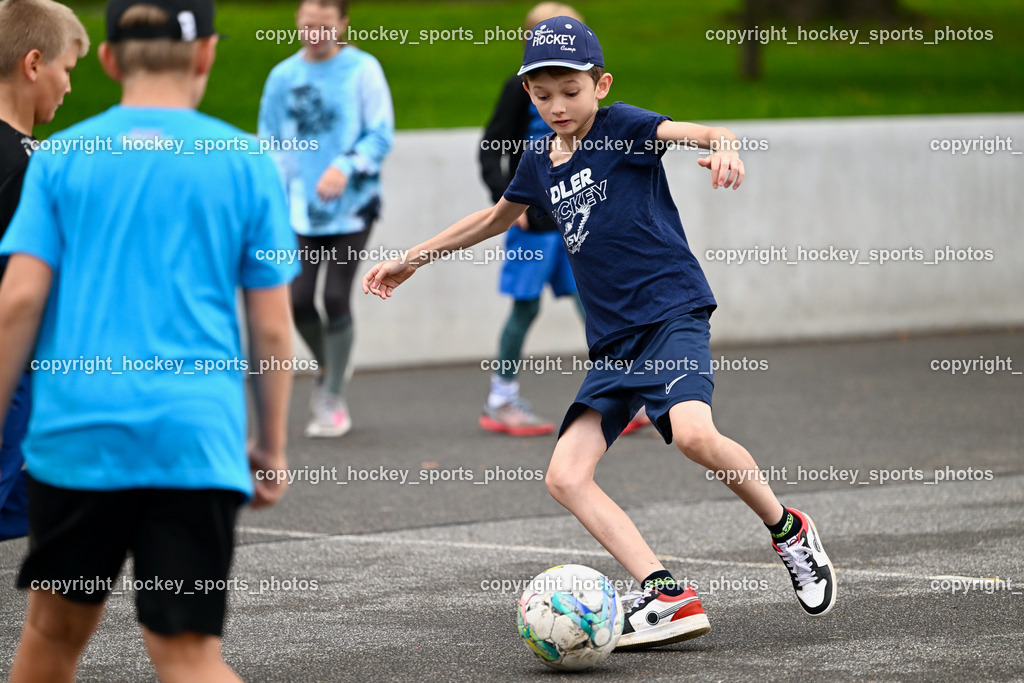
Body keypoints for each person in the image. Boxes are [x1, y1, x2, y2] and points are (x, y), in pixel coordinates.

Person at [364, 17, 835, 650]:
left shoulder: (624, 129)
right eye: (543, 94)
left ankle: (788, 529)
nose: (557, 106)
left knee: (694, 434)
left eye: (571, 91)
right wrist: (412, 257)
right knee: (564, 475)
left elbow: (696, 129)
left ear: (600, 84)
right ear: (528, 94)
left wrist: (723, 143)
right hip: (613, 341)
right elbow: (495, 218)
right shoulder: (540, 160)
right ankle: (666, 593)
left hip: (669, 312)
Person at [0, 0, 298, 679]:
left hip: (78, 439)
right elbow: (273, 325)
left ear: (107, 60)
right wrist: (271, 445)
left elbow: (18, 299)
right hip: (192, 442)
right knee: (187, 651)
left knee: (52, 634)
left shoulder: (61, 158)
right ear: (207, 54)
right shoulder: (245, 161)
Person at [478, 2, 650, 438]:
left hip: (577, 223)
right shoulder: (516, 91)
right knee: (525, 306)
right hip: (532, 223)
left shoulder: (594, 105)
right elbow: (490, 146)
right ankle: (501, 397)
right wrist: (505, 200)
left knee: (592, 304)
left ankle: (622, 393)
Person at [259, 0, 394, 438]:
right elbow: (271, 140)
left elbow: (380, 133)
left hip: (353, 204)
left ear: (342, 23)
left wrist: (346, 165)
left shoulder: (363, 69)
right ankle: (332, 362)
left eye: (324, 26)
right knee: (297, 300)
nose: (314, 33)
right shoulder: (282, 76)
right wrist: (274, 198)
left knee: (336, 297)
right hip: (300, 207)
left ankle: (330, 394)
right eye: (307, 25)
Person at [0, 0, 88, 542]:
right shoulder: (35, 165)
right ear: (34, 64)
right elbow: (32, 295)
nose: (69, 87)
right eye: (67, 71)